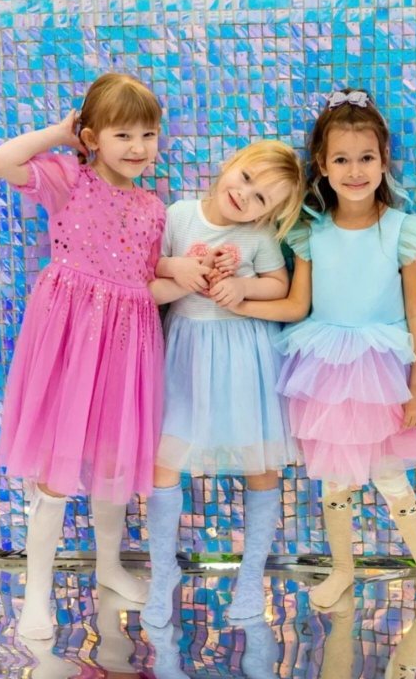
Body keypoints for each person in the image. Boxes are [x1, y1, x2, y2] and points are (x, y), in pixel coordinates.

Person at [228, 89, 416, 619]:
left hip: (385, 373)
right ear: (322, 165)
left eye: (366, 158)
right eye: (341, 159)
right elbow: (298, 304)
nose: (355, 170)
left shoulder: (400, 230)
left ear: (384, 161)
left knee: (390, 478)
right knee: (335, 478)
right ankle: (342, 569)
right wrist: (239, 301)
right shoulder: (310, 232)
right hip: (327, 372)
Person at [0, 73, 166, 639]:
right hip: (69, 341)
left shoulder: (154, 208)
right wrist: (60, 135)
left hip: (126, 344)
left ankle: (109, 567)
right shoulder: (69, 179)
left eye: (147, 134)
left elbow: (145, 279)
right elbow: (0, 160)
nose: (138, 147)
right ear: (92, 138)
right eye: (123, 135)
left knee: (114, 460)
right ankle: (36, 593)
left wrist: (186, 276)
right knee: (56, 469)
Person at [143, 141, 305, 627]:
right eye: (247, 178)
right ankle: (162, 572)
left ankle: (251, 574)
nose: (245, 196)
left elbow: (278, 285)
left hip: (243, 356)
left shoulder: (257, 235)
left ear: (268, 214)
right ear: (231, 165)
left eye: (261, 199)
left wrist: (243, 287)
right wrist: (178, 269)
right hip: (186, 352)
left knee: (259, 461)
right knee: (165, 460)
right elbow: (149, 269)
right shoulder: (179, 215)